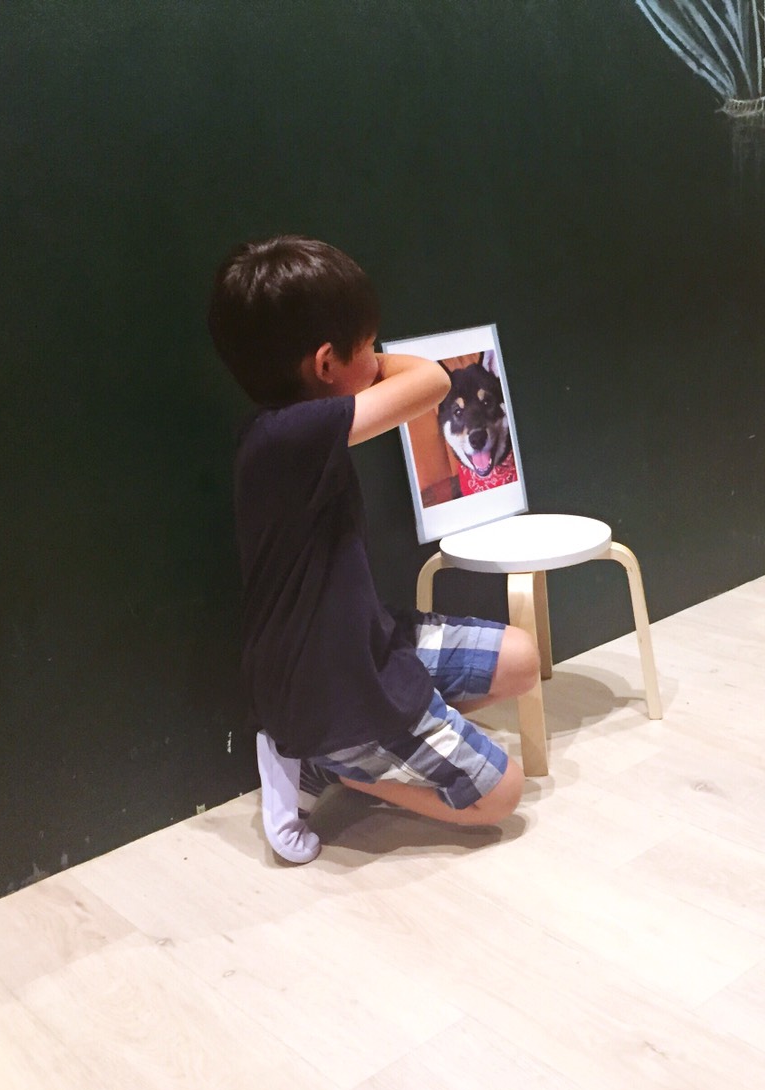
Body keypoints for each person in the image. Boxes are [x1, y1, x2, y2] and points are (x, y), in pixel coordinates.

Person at [207, 234, 537, 863]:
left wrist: (357, 358)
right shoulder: (287, 435)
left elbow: (416, 381)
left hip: (366, 645)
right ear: (325, 364)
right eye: (368, 345)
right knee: (502, 795)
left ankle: (364, 748)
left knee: (520, 657)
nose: (380, 356)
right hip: (327, 686)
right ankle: (339, 765)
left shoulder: (293, 427)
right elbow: (433, 381)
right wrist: (372, 363)